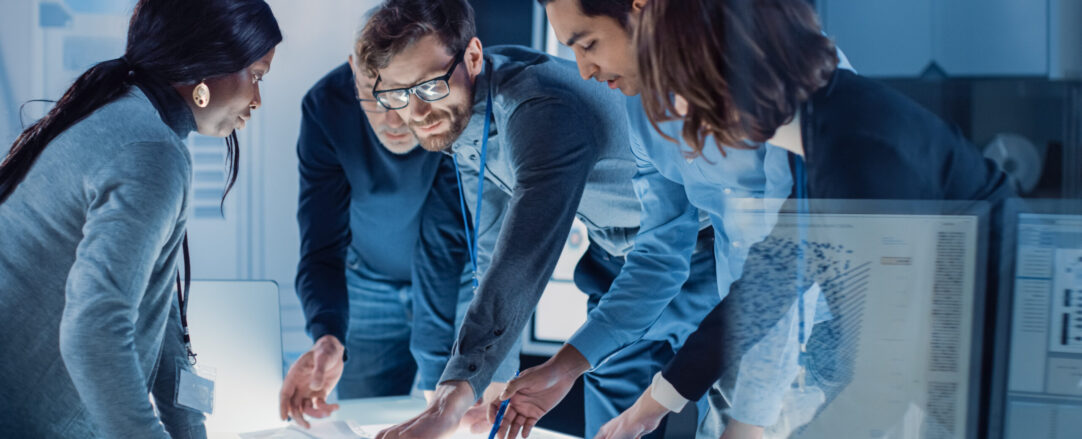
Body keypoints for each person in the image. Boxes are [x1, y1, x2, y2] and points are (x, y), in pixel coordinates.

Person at [361, 1, 796, 439]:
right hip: (627, 264)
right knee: (613, 420)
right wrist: (492, 382)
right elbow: (496, 251)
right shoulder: (639, 112)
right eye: (397, 95)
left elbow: (524, 254)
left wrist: (455, 389)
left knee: (740, 402)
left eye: (587, 44)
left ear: (473, 57)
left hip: (719, 269)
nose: (415, 113)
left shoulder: (541, 106)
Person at [595, 0, 1014, 437]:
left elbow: (884, 381)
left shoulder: (857, 151)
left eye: (677, 84)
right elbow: (768, 282)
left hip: (986, 381)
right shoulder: (821, 132)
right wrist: (652, 404)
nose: (677, 109)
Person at [0, 0, 281, 437]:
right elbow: (93, 335)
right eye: (257, 76)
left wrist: (190, 432)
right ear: (208, 67)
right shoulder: (150, 151)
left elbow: (162, 314)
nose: (258, 100)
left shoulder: (129, 118)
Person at [278, 11, 516, 429]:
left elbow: (442, 245)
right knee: (362, 421)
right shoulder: (325, 108)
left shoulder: (444, 102)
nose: (394, 119)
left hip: (457, 281)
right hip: (367, 284)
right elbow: (320, 246)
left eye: (403, 91)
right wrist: (328, 335)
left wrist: (437, 390)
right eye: (376, 97)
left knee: (465, 421)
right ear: (354, 69)